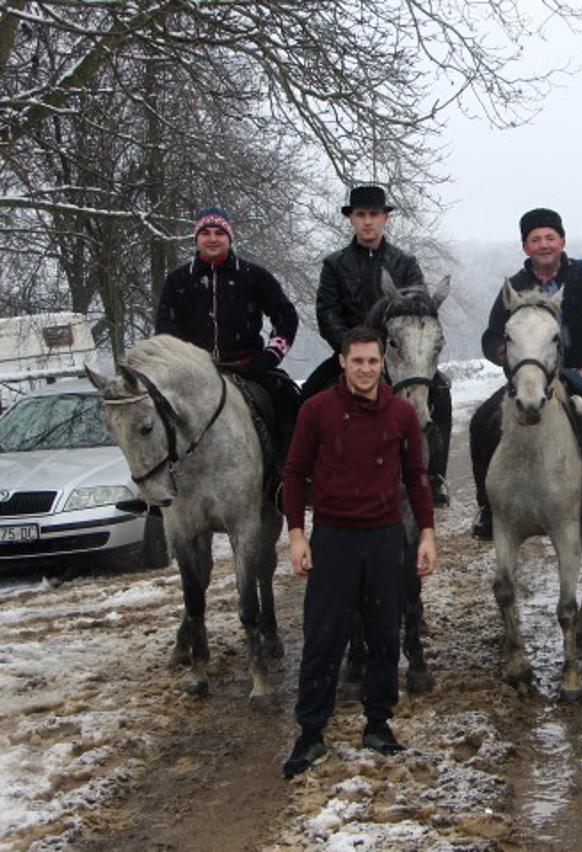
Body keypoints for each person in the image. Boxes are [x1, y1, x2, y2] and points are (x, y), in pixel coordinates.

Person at [281, 325, 437, 779]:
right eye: (357, 361)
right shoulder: (317, 411)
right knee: (324, 637)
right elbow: (293, 474)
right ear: (343, 363)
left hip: (386, 537)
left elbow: (417, 477)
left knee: (385, 632)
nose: (366, 369)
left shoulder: (401, 413)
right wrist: (296, 534)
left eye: (373, 361)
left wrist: (426, 533)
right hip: (333, 538)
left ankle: (378, 724)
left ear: (383, 363)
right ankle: (310, 734)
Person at [468, 207, 582, 542]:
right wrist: (509, 355)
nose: (544, 244)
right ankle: (487, 509)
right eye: (535, 239)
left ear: (561, 241)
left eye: (550, 237)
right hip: (531, 380)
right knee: (481, 422)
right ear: (525, 247)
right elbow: (491, 337)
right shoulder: (514, 287)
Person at [300, 185, 452, 507]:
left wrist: (396, 350)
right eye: (361, 215)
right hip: (350, 356)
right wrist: (352, 351)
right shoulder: (334, 265)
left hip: (400, 356)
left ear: (386, 219)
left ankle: (435, 475)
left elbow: (420, 306)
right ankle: (308, 477)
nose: (367, 222)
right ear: (351, 219)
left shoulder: (406, 262)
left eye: (374, 215)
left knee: (441, 391)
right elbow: (327, 312)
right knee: (308, 395)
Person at [154, 206, 300, 494]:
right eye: (205, 233)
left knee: (289, 401)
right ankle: (155, 488)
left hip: (247, 368)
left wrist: (269, 356)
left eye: (219, 233)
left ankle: (291, 479)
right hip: (192, 374)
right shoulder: (178, 280)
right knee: (149, 414)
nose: (212, 239)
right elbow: (165, 329)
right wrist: (182, 362)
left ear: (229, 238)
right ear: (196, 238)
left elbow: (286, 317)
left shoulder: (254, 276)